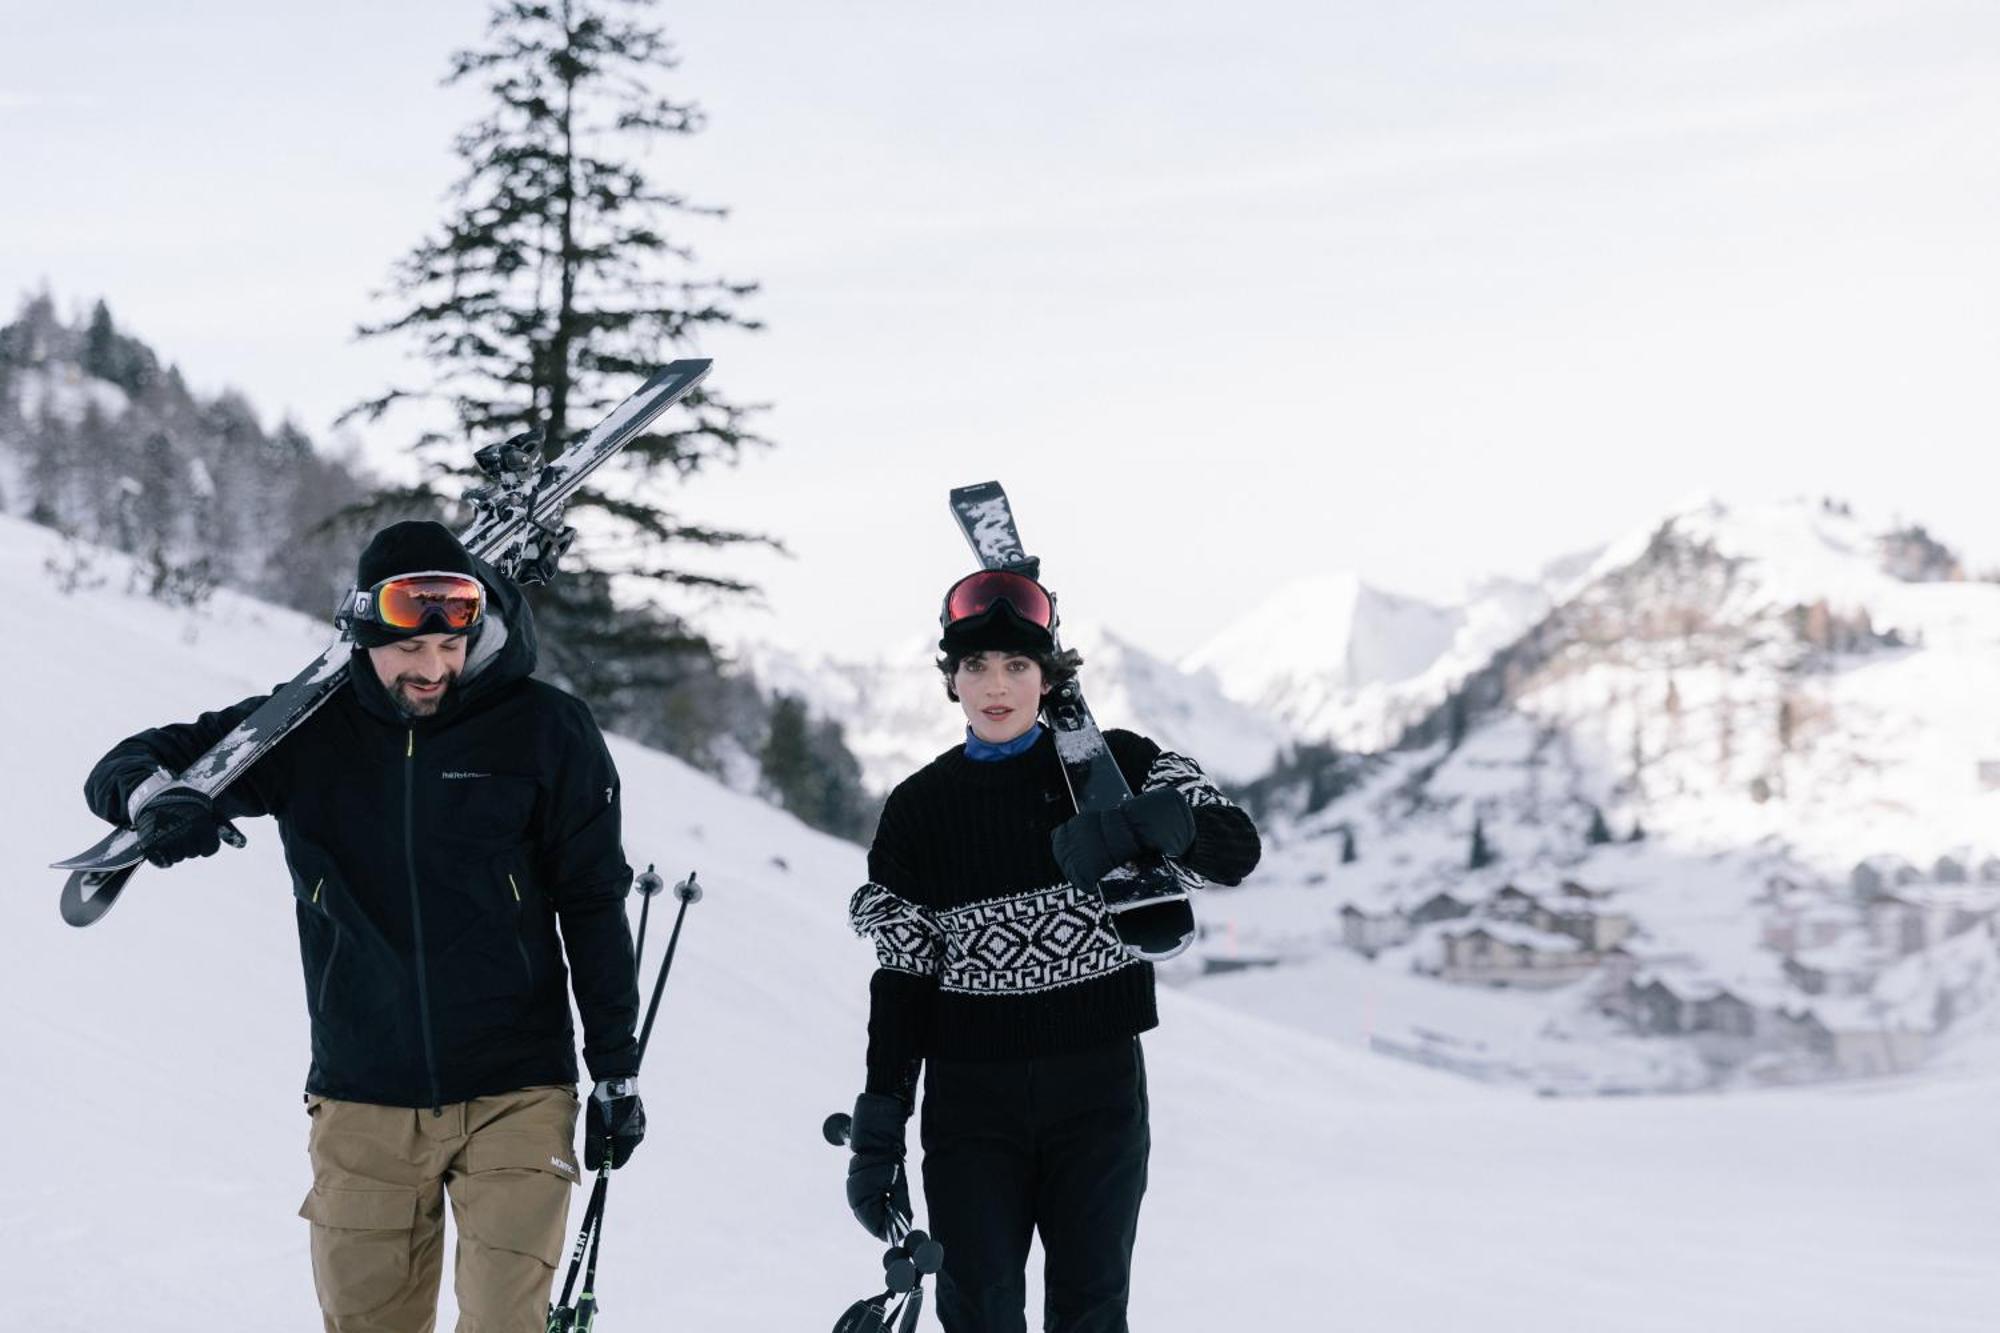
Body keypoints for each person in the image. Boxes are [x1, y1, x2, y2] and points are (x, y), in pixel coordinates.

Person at [82, 520, 648, 1333]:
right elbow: (130, 759)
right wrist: (157, 802)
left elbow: (594, 902)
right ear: (362, 633)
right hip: (362, 1095)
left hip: (517, 1088)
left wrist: (616, 1069)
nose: (432, 670)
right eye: (408, 653)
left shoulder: (546, 730)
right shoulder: (302, 731)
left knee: (504, 1322)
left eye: (449, 648)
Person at [842, 567, 1262, 1333]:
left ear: (1047, 675)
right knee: (977, 1312)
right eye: (975, 665)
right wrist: (880, 1126)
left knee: (1091, 1314)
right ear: (952, 680)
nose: (995, 684)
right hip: (971, 1105)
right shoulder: (919, 810)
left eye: (1016, 664)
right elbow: (901, 982)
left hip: (1097, 1092)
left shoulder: (1118, 765)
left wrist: (1156, 824)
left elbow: (1238, 850)